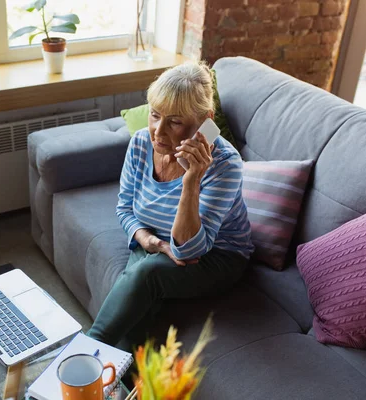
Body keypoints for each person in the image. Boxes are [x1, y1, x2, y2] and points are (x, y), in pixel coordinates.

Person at [87, 61, 254, 348]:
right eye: (155, 115)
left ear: (205, 122)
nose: (158, 132)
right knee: (139, 305)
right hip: (156, 240)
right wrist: (149, 240)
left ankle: (87, 353)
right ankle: (114, 383)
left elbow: (190, 250)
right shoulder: (141, 143)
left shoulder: (226, 165)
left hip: (217, 256)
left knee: (145, 275)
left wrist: (192, 180)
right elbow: (125, 207)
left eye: (175, 122)